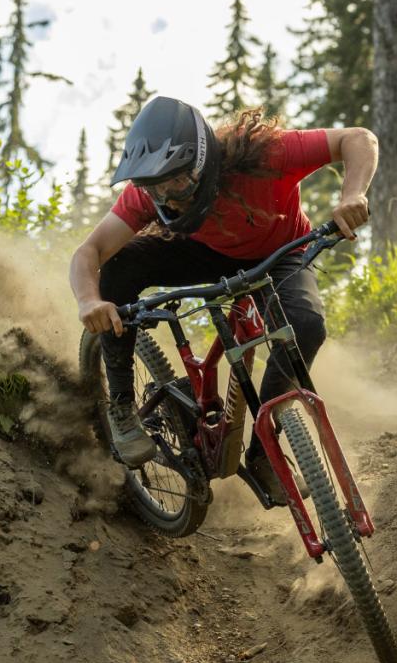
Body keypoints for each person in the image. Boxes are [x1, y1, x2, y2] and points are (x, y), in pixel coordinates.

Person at [69, 95, 376, 502]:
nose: (167, 197)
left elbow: (357, 138)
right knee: (118, 266)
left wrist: (352, 195)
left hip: (280, 253)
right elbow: (88, 252)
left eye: (176, 182)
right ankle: (123, 409)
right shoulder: (148, 194)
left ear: (202, 162)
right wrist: (89, 302)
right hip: (204, 253)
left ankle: (265, 451)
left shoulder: (266, 153)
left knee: (306, 326)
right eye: (155, 188)